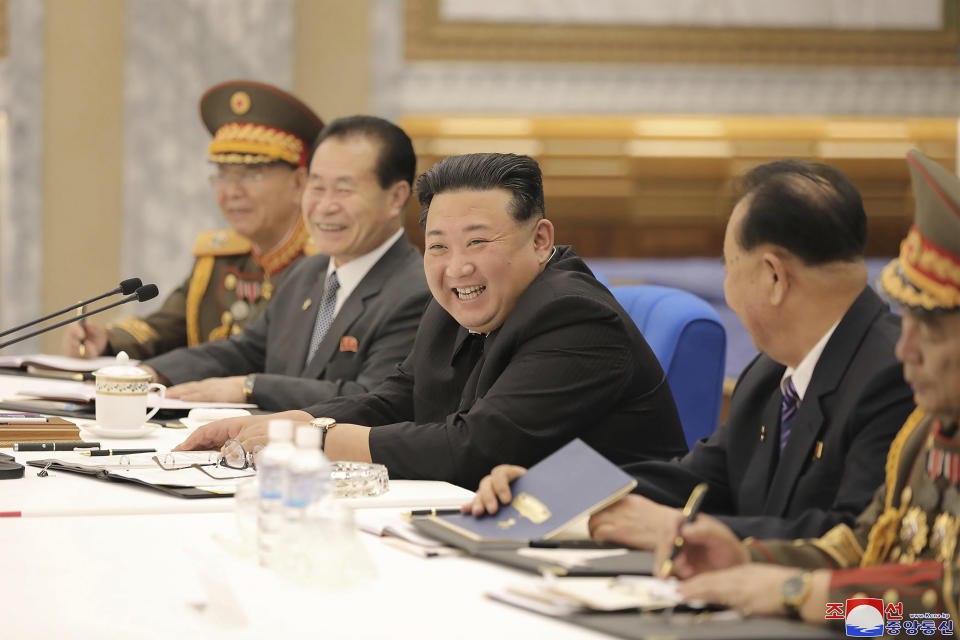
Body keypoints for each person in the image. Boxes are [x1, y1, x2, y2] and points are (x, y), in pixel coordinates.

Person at [468, 159, 915, 544]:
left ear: (773, 278)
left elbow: (857, 541)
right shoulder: (771, 372)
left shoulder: (898, 377)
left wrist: (682, 530)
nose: (727, 286)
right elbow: (703, 474)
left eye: (728, 267)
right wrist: (551, 488)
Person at [176, 152, 688, 489]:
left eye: (478, 241)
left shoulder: (574, 316)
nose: (456, 266)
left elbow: (474, 448)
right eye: (438, 245)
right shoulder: (456, 297)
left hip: (606, 545)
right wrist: (290, 422)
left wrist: (311, 442)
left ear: (540, 240)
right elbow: (397, 397)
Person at [641, 149, 960, 628]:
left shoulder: (898, 396)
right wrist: (750, 559)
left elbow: (935, 621)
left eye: (930, 330)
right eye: (907, 322)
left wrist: (798, 593)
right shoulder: (925, 436)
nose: (904, 349)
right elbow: (861, 546)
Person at [135, 116, 430, 411]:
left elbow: (371, 398)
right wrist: (149, 374)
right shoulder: (307, 272)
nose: (325, 207)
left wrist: (249, 388)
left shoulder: (417, 291)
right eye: (316, 187)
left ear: (395, 198)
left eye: (344, 190)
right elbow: (245, 350)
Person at [62, 80, 323, 360]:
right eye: (223, 175)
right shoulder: (220, 259)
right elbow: (166, 327)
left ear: (299, 183)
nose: (232, 192)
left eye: (251, 175)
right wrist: (107, 339)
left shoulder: (323, 263)